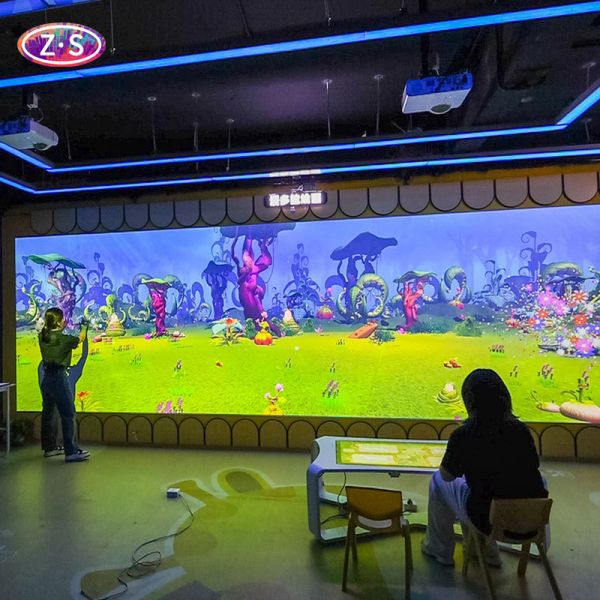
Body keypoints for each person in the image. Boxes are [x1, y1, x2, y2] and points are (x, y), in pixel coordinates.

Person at [422, 368, 548, 567]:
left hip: (487, 521)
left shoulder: (464, 434)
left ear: (469, 401)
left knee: (438, 481)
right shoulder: (521, 431)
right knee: (490, 487)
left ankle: (439, 549)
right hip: (532, 523)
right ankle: (484, 551)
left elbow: (447, 476)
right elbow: (532, 468)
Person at [39, 307, 90, 463]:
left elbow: (51, 333)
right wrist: (84, 327)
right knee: (68, 414)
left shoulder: (42, 336)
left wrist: (61, 326)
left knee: (48, 413)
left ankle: (50, 448)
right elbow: (80, 338)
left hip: (46, 378)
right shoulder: (65, 340)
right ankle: (71, 451)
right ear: (60, 321)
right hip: (59, 378)